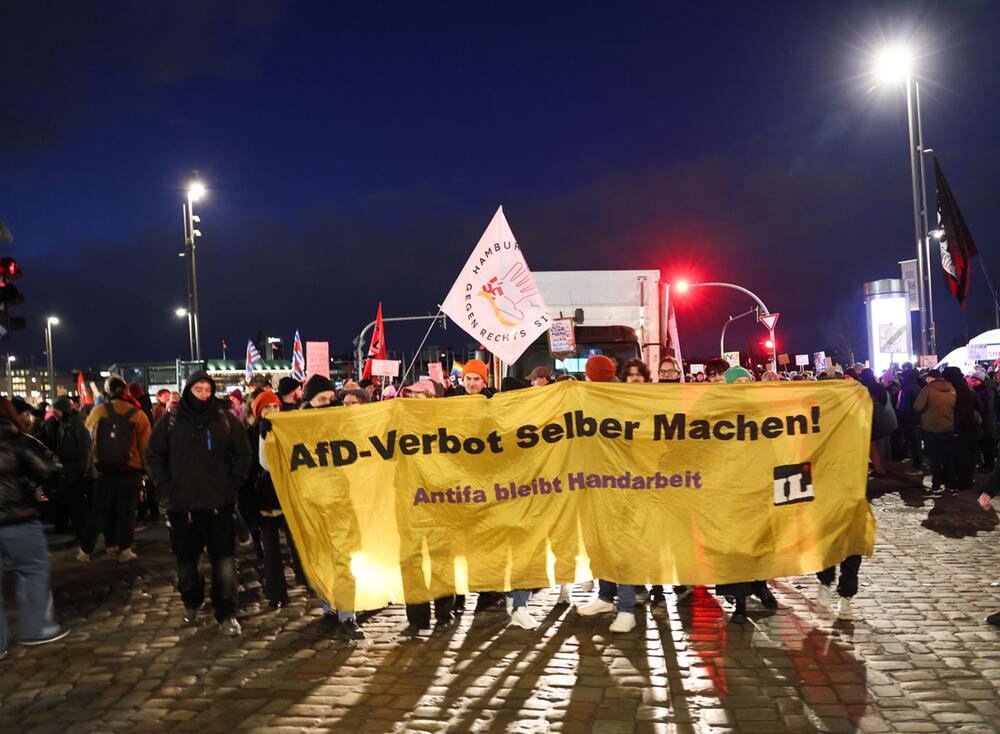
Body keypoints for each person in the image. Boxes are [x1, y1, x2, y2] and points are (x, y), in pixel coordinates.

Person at [144, 371, 253, 636]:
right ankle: (191, 602)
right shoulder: (170, 421)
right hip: (183, 508)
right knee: (187, 565)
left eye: (207, 389)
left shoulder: (225, 419)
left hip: (219, 505)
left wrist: (232, 483)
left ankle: (226, 612)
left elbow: (243, 453)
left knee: (224, 564)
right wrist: (166, 487)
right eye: (198, 389)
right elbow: (153, 455)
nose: (204, 394)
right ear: (188, 391)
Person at [0, 396, 71, 657]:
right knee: (32, 571)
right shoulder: (18, 440)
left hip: (18, 517)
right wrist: (42, 494)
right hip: (19, 518)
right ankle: (38, 628)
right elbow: (52, 469)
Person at [298, 373, 366, 639]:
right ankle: (328, 608)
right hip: (311, 503)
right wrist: (264, 435)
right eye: (320, 399)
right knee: (321, 560)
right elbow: (268, 464)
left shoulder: (343, 423)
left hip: (340, 501)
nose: (327, 403)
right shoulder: (296, 426)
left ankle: (347, 615)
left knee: (343, 560)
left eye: (330, 398)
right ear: (309, 402)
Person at [577, 354, 638, 633]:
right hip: (594, 483)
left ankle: (626, 608)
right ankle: (605, 597)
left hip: (620, 484)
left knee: (620, 548)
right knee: (600, 542)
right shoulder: (588, 399)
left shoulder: (618, 400)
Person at [712, 365, 778, 622]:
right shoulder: (720, 413)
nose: (742, 384)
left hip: (759, 485)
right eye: (736, 381)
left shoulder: (763, 411)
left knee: (761, 541)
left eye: (745, 380)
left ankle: (760, 585)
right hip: (731, 488)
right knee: (736, 545)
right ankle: (739, 600)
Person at [77, 376, 152, 563]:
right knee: (127, 511)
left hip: (105, 470)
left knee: (98, 511)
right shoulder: (138, 413)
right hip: (131, 470)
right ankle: (125, 549)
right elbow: (146, 445)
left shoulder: (98, 411)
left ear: (108, 391)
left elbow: (89, 439)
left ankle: (85, 550)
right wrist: (146, 469)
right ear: (125, 390)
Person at [248, 390, 306, 609]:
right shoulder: (252, 433)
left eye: (275, 407)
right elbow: (264, 464)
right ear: (259, 411)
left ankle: (308, 580)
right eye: (267, 408)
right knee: (271, 549)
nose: (272, 411)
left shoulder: (287, 428)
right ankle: (276, 592)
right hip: (265, 497)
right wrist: (264, 437)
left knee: (298, 542)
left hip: (288, 494)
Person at [48, 396, 93, 538]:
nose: (53, 413)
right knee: (73, 503)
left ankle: (82, 534)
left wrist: (83, 470)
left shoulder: (76, 424)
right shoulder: (64, 423)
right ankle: (78, 532)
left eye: (56, 410)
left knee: (78, 504)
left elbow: (85, 449)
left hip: (76, 470)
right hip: (68, 470)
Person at [914, 369, 957, 494]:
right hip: (948, 427)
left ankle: (936, 486)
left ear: (931, 378)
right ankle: (951, 486)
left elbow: (917, 407)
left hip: (931, 429)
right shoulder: (952, 388)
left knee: (935, 459)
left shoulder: (928, 389)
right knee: (948, 458)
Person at [942, 366, 981, 491]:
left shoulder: (959, 389)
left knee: (963, 457)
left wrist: (956, 429)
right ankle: (965, 480)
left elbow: (962, 411)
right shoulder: (962, 387)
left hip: (964, 429)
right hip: (967, 428)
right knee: (965, 456)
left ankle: (965, 482)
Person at [897, 367, 925, 476]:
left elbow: (905, 407)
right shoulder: (917, 387)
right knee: (916, 443)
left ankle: (917, 466)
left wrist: (901, 416)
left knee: (915, 444)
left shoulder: (908, 389)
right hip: (916, 419)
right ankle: (917, 464)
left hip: (910, 420)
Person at [969, 369, 997, 472]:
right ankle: (987, 465)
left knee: (988, 445)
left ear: (980, 380)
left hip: (988, 422)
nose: (972, 382)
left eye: (974, 380)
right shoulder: (983, 389)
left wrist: (978, 408)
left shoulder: (986, 390)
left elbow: (988, 407)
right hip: (986, 422)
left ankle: (989, 466)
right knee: (985, 444)